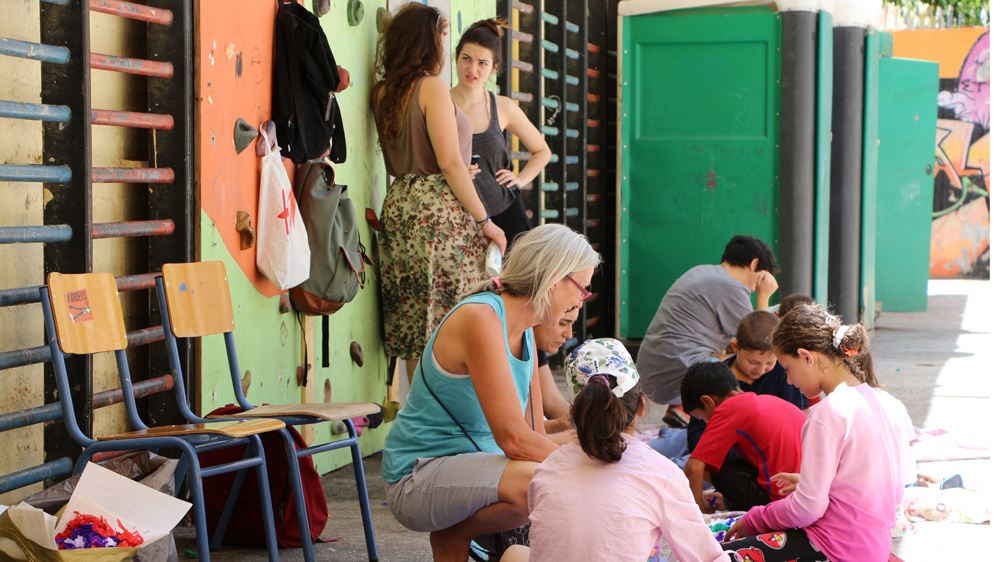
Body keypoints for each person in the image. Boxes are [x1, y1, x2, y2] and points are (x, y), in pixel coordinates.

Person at [381, 224, 600, 562]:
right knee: (543, 482)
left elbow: (534, 436)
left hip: (463, 471)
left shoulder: (524, 331)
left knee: (561, 470)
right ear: (555, 279)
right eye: (582, 290)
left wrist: (599, 453)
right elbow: (513, 439)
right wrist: (590, 474)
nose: (579, 302)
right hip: (416, 476)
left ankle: (456, 534)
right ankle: (455, 532)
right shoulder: (482, 318)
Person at [504, 339, 731, 562]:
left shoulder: (548, 467)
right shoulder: (661, 473)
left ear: (575, 413)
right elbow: (705, 556)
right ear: (641, 406)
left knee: (514, 553)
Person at [372, 3, 507, 369]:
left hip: (399, 206)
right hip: (439, 212)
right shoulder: (431, 86)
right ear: (427, 44)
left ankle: (421, 417)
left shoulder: (382, 92)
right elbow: (448, 163)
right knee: (456, 316)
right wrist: (485, 221)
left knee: (419, 323)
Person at [723, 303, 904, 562]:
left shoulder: (826, 413)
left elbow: (807, 508)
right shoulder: (883, 401)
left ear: (807, 357)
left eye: (786, 368)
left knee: (721, 555)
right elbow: (894, 491)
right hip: (872, 550)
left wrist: (755, 518)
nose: (789, 381)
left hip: (834, 551)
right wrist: (817, 483)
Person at [637, 235, 779, 426]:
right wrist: (764, 296)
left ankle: (683, 408)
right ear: (754, 264)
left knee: (732, 354)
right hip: (673, 382)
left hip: (653, 374)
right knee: (757, 362)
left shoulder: (702, 271)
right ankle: (689, 408)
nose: (753, 289)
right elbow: (761, 340)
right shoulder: (733, 287)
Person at [450, 18, 551, 243]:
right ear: (456, 57)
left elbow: (542, 151)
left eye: (482, 63)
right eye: (466, 58)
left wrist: (520, 179)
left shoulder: (502, 107)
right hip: (458, 215)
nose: (472, 69)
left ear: (494, 67)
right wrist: (455, 172)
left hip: (506, 211)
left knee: (520, 276)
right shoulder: (440, 105)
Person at [681, 362, 805, 513]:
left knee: (713, 467)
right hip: (806, 493)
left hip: (780, 503)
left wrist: (699, 509)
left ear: (708, 401)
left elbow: (693, 467)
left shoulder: (726, 410)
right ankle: (729, 502)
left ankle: (724, 506)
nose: (705, 423)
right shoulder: (767, 400)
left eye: (701, 418)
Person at [532, 307, 578, 434]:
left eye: (572, 324)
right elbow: (514, 433)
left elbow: (552, 402)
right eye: (563, 323)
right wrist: (555, 426)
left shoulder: (534, 346)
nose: (569, 334)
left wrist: (587, 417)